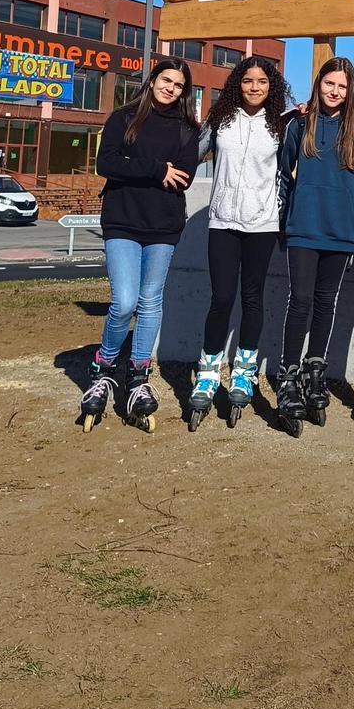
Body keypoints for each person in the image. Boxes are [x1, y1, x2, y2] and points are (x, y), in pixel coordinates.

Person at [78, 57, 200, 433]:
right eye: (166, 80)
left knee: (150, 302)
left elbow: (185, 178)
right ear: (152, 80)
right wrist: (156, 169)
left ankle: (138, 375)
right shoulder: (123, 118)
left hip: (163, 226)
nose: (171, 89)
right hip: (122, 221)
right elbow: (107, 164)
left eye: (179, 86)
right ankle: (104, 367)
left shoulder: (187, 129)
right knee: (124, 301)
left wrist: (141, 166)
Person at [187, 55, 290, 430]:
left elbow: (291, 169)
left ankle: (244, 371)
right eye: (248, 81)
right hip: (223, 221)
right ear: (237, 84)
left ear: (271, 86)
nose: (255, 87)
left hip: (262, 224)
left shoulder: (281, 123)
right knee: (222, 298)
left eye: (262, 82)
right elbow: (191, 155)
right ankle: (209, 371)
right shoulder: (220, 120)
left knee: (252, 298)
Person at [275, 56, 354, 434]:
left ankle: (315, 370)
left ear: (350, 92)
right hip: (304, 227)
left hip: (341, 229)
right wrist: (282, 223)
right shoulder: (299, 125)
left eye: (342, 87)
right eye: (330, 84)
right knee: (302, 300)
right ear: (319, 84)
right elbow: (282, 174)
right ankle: (289, 376)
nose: (335, 91)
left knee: (327, 302)